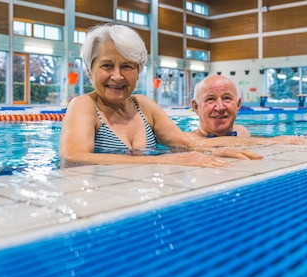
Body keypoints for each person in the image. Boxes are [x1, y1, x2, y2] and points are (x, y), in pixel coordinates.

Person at [59, 23, 263, 168]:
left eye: (127, 66)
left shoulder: (143, 106)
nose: (117, 76)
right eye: (107, 65)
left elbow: (185, 143)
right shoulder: (84, 105)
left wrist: (216, 151)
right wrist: (161, 160)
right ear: (89, 71)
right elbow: (73, 156)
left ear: (138, 71)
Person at [190, 74, 307, 145]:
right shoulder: (189, 140)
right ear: (196, 107)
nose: (220, 107)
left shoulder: (242, 132)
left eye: (227, 98)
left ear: (238, 105)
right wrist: (277, 141)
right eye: (210, 99)